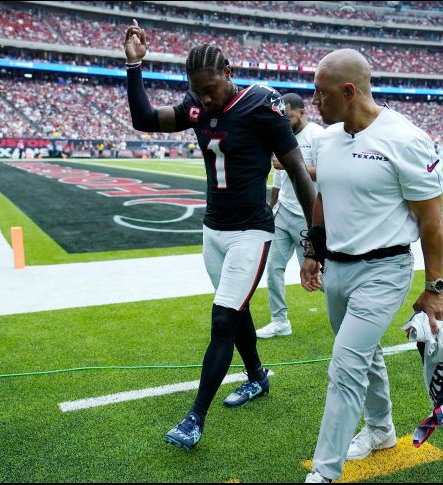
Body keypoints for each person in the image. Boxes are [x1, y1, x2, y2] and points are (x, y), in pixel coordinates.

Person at [124, 20, 316, 451]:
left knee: (223, 318)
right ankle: (257, 378)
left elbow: (300, 174)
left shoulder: (263, 103)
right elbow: (145, 118)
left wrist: (313, 238)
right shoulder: (196, 106)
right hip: (214, 230)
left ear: (229, 72)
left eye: (211, 88)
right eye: (198, 90)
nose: (205, 98)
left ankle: (195, 416)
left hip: (252, 229)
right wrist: (134, 66)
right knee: (238, 310)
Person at [301, 49, 443, 484]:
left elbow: (431, 220)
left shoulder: (405, 139)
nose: (314, 102)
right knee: (364, 358)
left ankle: (324, 473)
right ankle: (382, 430)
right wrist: (313, 250)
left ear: (349, 91)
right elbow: (324, 198)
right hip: (337, 269)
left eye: (321, 93)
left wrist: (435, 287)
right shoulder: (327, 139)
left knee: (345, 366)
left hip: (384, 270)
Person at [256, 93, 323, 339]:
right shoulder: (284, 136)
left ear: (302, 112)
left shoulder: (317, 135)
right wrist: (271, 206)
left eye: (289, 116)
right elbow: (278, 177)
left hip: (308, 216)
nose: (285, 121)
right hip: (283, 212)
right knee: (273, 267)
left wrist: (292, 165)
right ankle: (280, 321)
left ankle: (350, 309)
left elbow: (328, 171)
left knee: (319, 274)